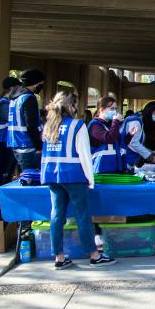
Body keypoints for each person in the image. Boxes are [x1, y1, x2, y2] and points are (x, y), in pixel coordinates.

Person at [40, 91, 115, 269]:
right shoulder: (77, 125)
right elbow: (84, 155)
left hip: (52, 175)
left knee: (56, 215)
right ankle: (94, 255)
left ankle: (58, 257)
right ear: (72, 106)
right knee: (83, 216)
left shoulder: (49, 125)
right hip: (74, 175)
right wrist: (90, 179)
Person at [6, 68, 46, 174]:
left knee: (24, 176)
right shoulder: (28, 98)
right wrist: (38, 146)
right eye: (41, 84)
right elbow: (31, 125)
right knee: (31, 178)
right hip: (27, 144)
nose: (41, 87)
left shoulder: (15, 98)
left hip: (15, 143)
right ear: (35, 83)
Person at [0, 76, 21, 185]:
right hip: (4, 141)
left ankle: (2, 196)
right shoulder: (3, 104)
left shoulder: (7, 102)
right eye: (18, 88)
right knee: (4, 171)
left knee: (9, 172)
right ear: (13, 88)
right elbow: (12, 119)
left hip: (9, 141)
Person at [120, 102, 155, 170]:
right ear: (149, 112)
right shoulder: (136, 122)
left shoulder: (139, 120)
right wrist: (150, 156)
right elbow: (133, 143)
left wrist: (150, 152)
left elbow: (137, 142)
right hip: (127, 157)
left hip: (131, 156)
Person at [88, 96, 123, 174]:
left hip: (113, 167)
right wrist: (116, 121)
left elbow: (119, 142)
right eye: (111, 109)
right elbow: (109, 139)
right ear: (101, 109)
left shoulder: (110, 124)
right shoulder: (95, 125)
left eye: (115, 109)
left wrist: (130, 135)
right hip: (101, 169)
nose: (114, 111)